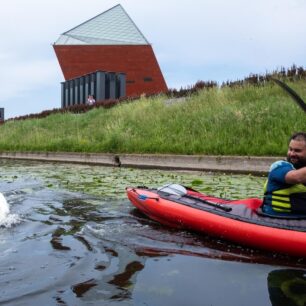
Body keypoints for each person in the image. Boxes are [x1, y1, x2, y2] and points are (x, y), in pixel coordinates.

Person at [261, 132, 306, 215]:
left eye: (297, 151)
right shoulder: (279, 166)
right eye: (290, 149)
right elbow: (296, 177)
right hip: (276, 221)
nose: (292, 154)